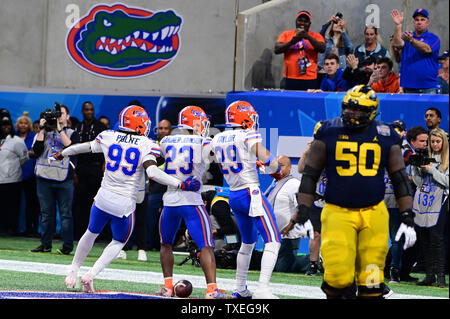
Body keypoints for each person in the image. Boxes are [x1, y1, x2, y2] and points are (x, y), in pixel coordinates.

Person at [285, 85, 416, 299]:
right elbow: (310, 173)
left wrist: (408, 215)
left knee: (372, 280)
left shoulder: (386, 134)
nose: (352, 113)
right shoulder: (328, 130)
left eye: (359, 110)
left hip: (374, 212)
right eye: (348, 108)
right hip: (338, 210)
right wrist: (303, 210)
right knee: (337, 277)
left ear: (372, 111)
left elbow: (399, 177)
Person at [56, 105, 201, 293]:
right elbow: (153, 172)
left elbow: (85, 147)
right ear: (139, 124)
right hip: (124, 202)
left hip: (103, 196)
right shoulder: (146, 143)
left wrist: (63, 153)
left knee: (90, 233)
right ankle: (90, 275)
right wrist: (180, 184)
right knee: (118, 242)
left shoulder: (109, 136)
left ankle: (73, 271)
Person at [211, 100, 283, 299]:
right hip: (251, 193)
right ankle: (262, 289)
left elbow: (229, 162)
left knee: (248, 243)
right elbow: (270, 160)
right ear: (244, 118)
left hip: (234, 194)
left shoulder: (218, 138)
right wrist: (276, 168)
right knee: (273, 240)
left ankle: (241, 288)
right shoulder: (247, 134)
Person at [157, 105, 231, 299]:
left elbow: (157, 161)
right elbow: (221, 159)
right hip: (191, 200)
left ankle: (167, 287)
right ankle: (211, 289)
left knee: (166, 244)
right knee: (206, 245)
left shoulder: (166, 140)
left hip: (170, 200)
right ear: (195, 122)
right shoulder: (204, 142)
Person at [30, 104, 80, 254]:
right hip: (44, 178)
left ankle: (67, 247)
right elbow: (36, 151)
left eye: (61, 113)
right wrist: (42, 129)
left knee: (65, 214)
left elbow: (70, 148)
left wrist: (59, 129)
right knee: (46, 214)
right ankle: (45, 244)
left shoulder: (72, 133)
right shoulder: (42, 133)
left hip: (64, 179)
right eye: (55, 114)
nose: (58, 116)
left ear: (67, 117)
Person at [411, 128, 448, 288]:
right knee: (424, 239)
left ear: (443, 142)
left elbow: (447, 182)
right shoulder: (427, 157)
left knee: (437, 239)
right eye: (432, 142)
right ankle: (429, 275)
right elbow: (419, 184)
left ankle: (441, 276)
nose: (434, 144)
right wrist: (416, 168)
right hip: (424, 200)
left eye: (437, 141)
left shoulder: (447, 159)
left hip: (441, 201)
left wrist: (431, 170)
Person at [263, 155, 310, 274]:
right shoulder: (274, 183)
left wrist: (290, 226)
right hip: (273, 234)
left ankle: (313, 261)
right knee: (270, 265)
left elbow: (301, 207)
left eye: (282, 165)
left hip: (288, 235)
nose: (278, 168)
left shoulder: (294, 184)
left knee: (282, 268)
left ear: (289, 168)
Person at [72, 101, 107, 240]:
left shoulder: (101, 127)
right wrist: (74, 171)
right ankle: (78, 234)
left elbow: (107, 148)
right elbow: (74, 149)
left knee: (96, 203)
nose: (89, 112)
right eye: (86, 110)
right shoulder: (77, 127)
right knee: (80, 203)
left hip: (96, 167)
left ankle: (97, 235)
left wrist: (104, 164)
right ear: (82, 111)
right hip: (80, 168)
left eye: (91, 109)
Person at [391, 8, 440, 94]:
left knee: (428, 108)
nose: (419, 22)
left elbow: (427, 49)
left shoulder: (433, 38)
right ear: (413, 22)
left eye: (422, 20)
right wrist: (398, 25)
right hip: (408, 85)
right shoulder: (407, 36)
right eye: (416, 20)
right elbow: (396, 44)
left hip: (427, 87)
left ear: (427, 22)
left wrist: (411, 41)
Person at [274, 10, 326, 90]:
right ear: (296, 22)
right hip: (290, 77)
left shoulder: (316, 36)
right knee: (290, 101)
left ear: (309, 24)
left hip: (309, 78)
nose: (302, 23)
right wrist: (292, 42)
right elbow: (276, 49)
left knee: (308, 101)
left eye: (306, 21)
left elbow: (322, 48)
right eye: (300, 20)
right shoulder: (287, 34)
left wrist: (307, 37)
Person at [298, 142, 325, 276]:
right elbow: (301, 168)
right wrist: (306, 151)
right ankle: (313, 265)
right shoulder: (315, 156)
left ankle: (330, 264)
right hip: (318, 200)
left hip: (334, 202)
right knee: (315, 234)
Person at [0, 109, 29, 236]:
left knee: (11, 207)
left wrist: (12, 169)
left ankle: (11, 229)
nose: (6, 127)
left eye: (8, 125)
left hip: (12, 180)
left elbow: (25, 158)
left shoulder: (17, 140)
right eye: (3, 125)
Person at [146, 119, 173, 251]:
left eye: (165, 128)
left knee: (169, 217)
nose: (162, 131)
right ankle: (151, 244)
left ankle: (167, 243)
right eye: (160, 128)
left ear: (171, 130)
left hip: (173, 187)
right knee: (151, 217)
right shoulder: (152, 145)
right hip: (156, 186)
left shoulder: (175, 145)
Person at [15, 112, 40, 236]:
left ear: (29, 125)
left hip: (30, 175)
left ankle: (32, 229)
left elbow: (36, 153)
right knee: (15, 203)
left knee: (32, 204)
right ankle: (15, 228)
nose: (23, 125)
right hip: (14, 175)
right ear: (17, 125)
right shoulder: (12, 138)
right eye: (21, 123)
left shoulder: (34, 137)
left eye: (26, 123)